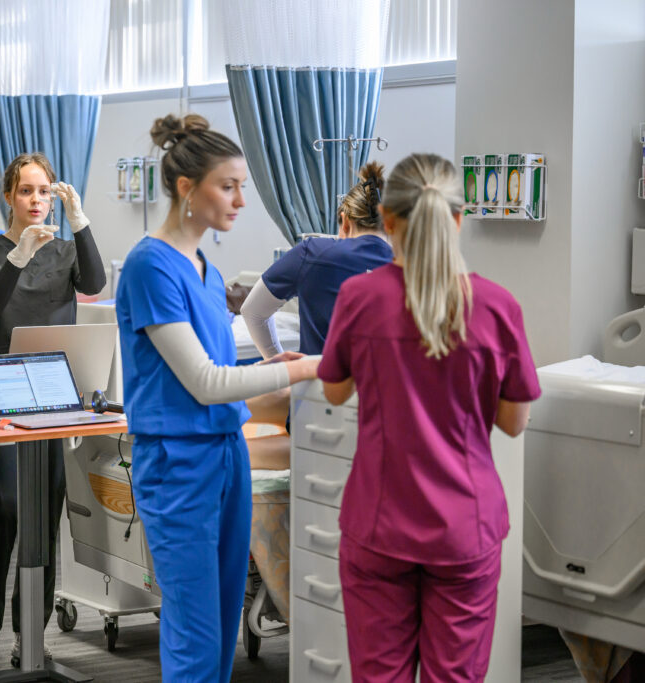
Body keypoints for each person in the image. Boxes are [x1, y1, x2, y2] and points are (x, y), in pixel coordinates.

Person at [317, 152, 541, 682]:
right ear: (458, 219)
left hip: (378, 523)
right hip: (464, 527)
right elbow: (513, 421)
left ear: (387, 221)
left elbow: (334, 390)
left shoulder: (359, 298)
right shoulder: (496, 306)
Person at [115, 113, 318, 681]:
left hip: (226, 452)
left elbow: (221, 375)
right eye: (228, 186)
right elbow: (204, 383)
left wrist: (272, 367)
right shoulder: (150, 266)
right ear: (186, 188)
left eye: (241, 188)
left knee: (225, 621)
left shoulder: (205, 270)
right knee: (197, 629)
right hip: (178, 462)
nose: (239, 200)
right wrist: (306, 367)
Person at [0, 152, 106, 667]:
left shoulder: (66, 250)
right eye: (27, 191)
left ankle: (31, 633)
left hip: (52, 398)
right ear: (9, 196)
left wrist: (81, 218)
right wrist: (18, 255)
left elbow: (94, 284)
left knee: (42, 517)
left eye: (44, 191)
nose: (37, 200)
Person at [241, 160, 393, 358]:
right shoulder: (418, 267)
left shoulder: (312, 253)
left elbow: (252, 312)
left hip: (319, 385)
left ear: (345, 221)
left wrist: (279, 363)